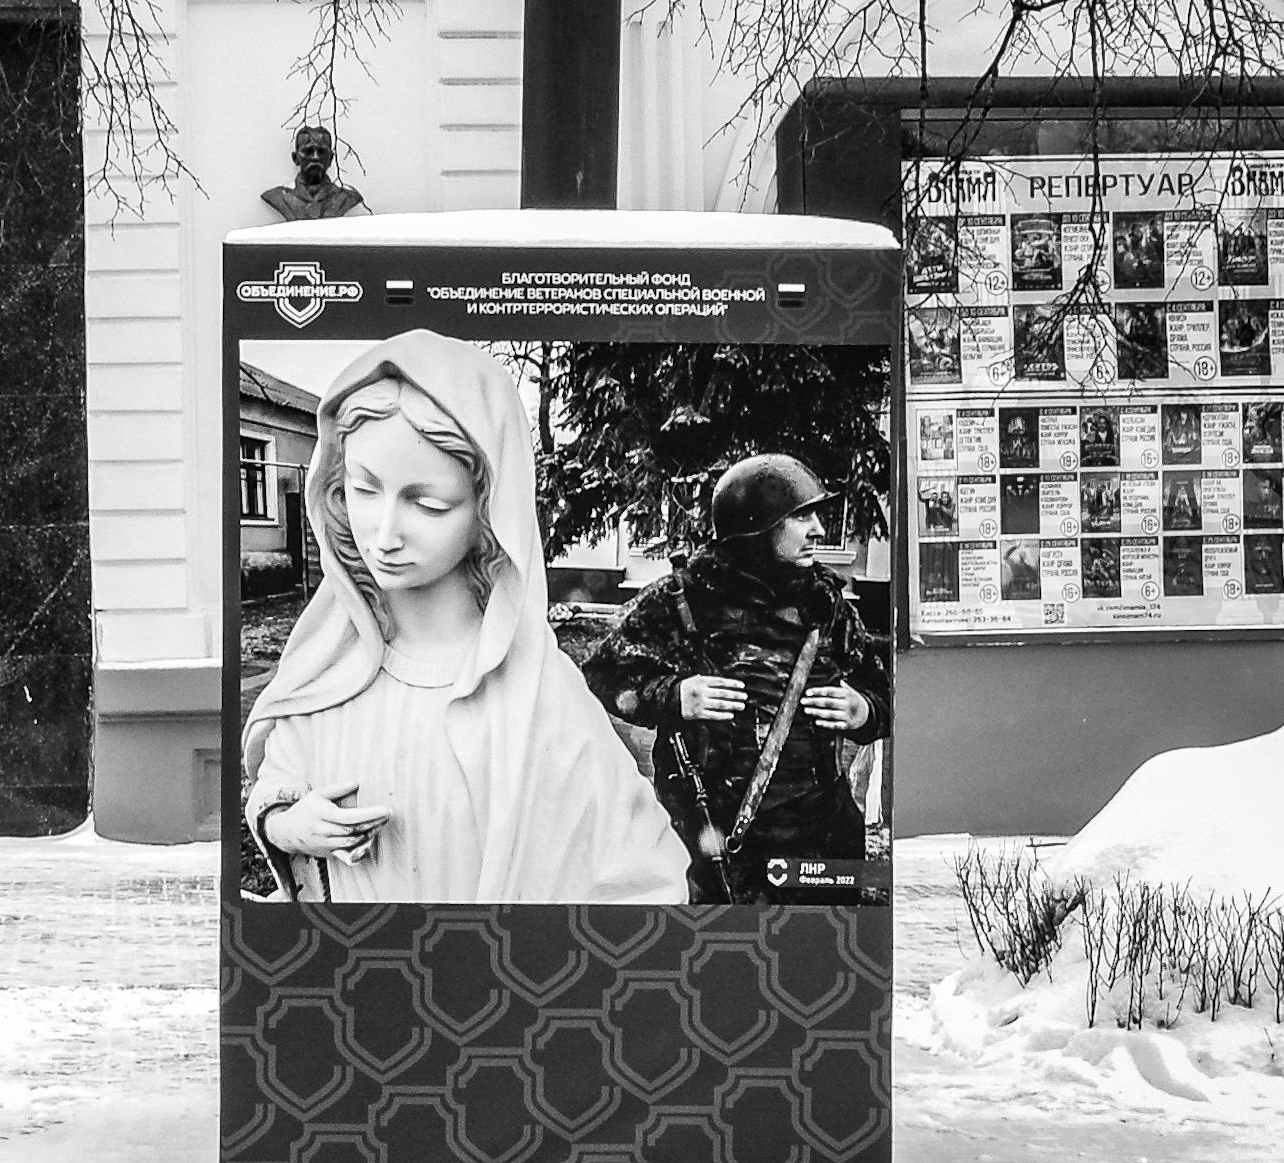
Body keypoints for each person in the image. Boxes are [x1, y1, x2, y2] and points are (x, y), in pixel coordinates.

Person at [241, 330, 687, 904]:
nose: (384, 534)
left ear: (488, 511)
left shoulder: (540, 698)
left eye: (428, 504)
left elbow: (643, 879)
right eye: (364, 489)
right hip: (357, 955)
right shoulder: (329, 665)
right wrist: (290, 824)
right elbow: (276, 784)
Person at [581, 454, 892, 905]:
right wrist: (673, 696)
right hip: (707, 842)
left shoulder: (826, 607)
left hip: (819, 842)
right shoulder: (685, 600)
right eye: (800, 517)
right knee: (714, 946)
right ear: (756, 528)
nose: (819, 530)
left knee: (820, 946)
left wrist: (863, 710)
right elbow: (601, 675)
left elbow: (885, 691)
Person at [260, 126, 366, 221]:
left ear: (330, 158)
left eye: (321, 152)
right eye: (308, 151)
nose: (315, 157)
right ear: (295, 158)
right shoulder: (278, 196)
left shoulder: (346, 197)